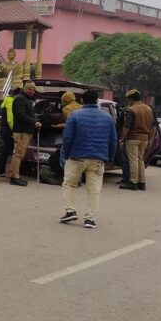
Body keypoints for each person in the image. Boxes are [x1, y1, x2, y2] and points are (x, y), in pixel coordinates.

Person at [59, 90, 117, 229]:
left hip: (76, 157)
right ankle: (90, 219)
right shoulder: (107, 117)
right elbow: (113, 140)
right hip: (97, 159)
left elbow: (67, 138)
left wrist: (66, 154)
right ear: (97, 101)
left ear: (82, 101)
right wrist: (109, 158)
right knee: (94, 189)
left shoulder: (74, 115)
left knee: (69, 184)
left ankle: (70, 210)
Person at [119, 89, 155, 191]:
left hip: (133, 138)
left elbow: (127, 126)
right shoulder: (148, 109)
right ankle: (142, 183)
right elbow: (152, 126)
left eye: (128, 100)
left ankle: (133, 182)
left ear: (130, 99)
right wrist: (150, 139)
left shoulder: (131, 109)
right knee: (140, 160)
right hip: (145, 139)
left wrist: (122, 139)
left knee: (133, 160)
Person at [8, 82, 42, 186]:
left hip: (25, 131)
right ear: (25, 89)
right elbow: (20, 115)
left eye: (33, 90)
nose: (32, 91)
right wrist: (34, 122)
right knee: (18, 154)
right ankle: (14, 177)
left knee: (20, 154)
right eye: (30, 89)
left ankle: (15, 174)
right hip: (21, 131)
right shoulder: (19, 99)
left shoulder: (26, 99)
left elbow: (27, 114)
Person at [0, 87, 20, 177]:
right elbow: (10, 119)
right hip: (9, 130)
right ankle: (2, 170)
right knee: (6, 151)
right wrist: (14, 131)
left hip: (5, 129)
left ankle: (2, 170)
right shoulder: (11, 103)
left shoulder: (7, 101)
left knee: (6, 151)